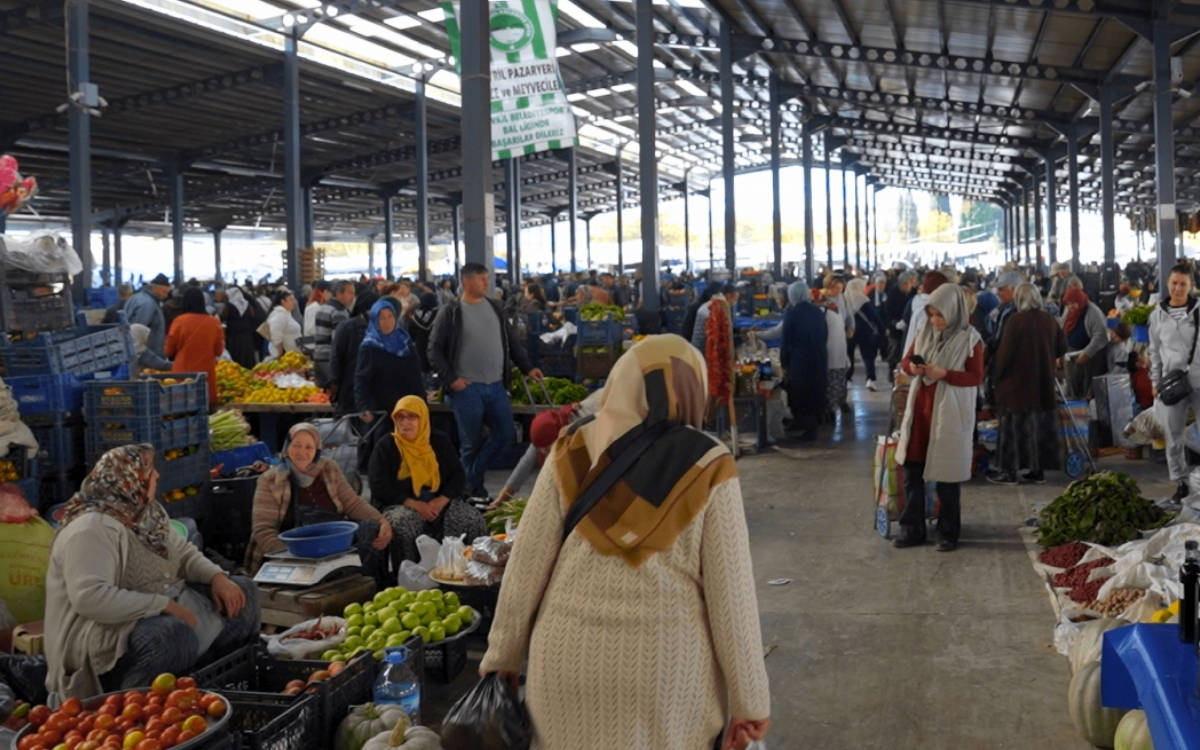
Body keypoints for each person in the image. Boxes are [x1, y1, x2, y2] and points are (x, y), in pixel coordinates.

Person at [479, 335, 771, 750]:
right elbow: (732, 596)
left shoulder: (571, 447)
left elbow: (527, 564)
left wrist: (501, 655)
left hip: (563, 663)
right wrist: (750, 700)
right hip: (664, 675)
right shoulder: (709, 463)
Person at [44, 445, 260, 699]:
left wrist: (217, 577)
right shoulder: (91, 528)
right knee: (170, 635)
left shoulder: (147, 512)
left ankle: (219, 689)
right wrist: (162, 605)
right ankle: (135, 707)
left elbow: (183, 554)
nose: (157, 475)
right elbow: (90, 597)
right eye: (149, 470)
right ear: (128, 480)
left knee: (244, 592)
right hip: (101, 632)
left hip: (161, 606)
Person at [428, 263, 543, 498]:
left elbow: (512, 342)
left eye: (486, 279)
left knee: (505, 434)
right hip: (467, 389)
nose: (486, 283)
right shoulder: (451, 312)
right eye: (481, 279)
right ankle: (474, 491)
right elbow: (434, 349)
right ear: (466, 282)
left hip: (496, 386)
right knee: (470, 444)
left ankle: (467, 482)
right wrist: (452, 380)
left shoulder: (495, 307)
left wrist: (528, 367)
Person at [895, 283, 984, 552]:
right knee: (912, 470)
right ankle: (912, 528)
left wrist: (944, 374)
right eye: (932, 314)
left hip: (948, 410)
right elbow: (906, 361)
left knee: (947, 477)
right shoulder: (924, 331)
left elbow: (976, 377)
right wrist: (913, 367)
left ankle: (947, 532)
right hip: (921, 409)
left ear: (954, 311)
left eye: (940, 315)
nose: (935, 320)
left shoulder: (970, 339)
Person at [246, 422, 392, 571]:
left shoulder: (328, 468)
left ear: (317, 450)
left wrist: (381, 520)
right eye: (296, 445)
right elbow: (263, 530)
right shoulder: (270, 480)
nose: (302, 452)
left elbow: (353, 503)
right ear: (287, 446)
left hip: (331, 545)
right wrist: (293, 556)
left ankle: (370, 581)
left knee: (371, 529)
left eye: (309, 447)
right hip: (290, 552)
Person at [368, 396, 485, 567]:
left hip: (439, 501)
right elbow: (379, 486)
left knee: (470, 518)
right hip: (400, 504)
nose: (405, 423)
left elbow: (457, 476)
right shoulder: (386, 445)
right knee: (406, 523)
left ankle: (466, 571)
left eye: (412, 417)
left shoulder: (439, 441)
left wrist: (441, 500)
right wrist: (415, 505)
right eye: (400, 417)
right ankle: (411, 576)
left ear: (422, 418)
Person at [988, 283, 1066, 485]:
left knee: (1014, 430)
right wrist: (1046, 356)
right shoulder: (1049, 320)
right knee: (1039, 427)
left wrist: (997, 377)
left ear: (1019, 299)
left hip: (1017, 386)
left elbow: (1005, 354)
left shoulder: (1016, 321)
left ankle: (1009, 473)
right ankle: (1037, 471)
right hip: (1043, 384)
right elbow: (1062, 347)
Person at [1149, 263, 1200, 501]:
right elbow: (1154, 351)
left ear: (1191, 286)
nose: (1177, 288)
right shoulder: (1157, 315)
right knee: (1173, 436)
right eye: (1174, 283)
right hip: (1172, 385)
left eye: (1183, 284)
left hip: (1199, 381)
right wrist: (1155, 381)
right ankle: (1181, 483)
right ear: (1168, 283)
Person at [354, 297, 425, 415]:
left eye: (390, 316)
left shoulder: (405, 341)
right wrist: (363, 408)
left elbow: (416, 374)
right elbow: (361, 379)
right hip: (381, 410)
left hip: (408, 408)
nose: (387, 322)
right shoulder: (369, 346)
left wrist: (422, 402)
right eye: (381, 318)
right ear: (375, 320)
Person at [780, 281, 828, 440]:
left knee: (801, 392)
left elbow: (786, 340)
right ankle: (811, 425)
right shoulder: (817, 312)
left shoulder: (792, 313)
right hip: (819, 357)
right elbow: (825, 334)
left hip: (800, 360)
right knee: (815, 390)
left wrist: (784, 362)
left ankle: (807, 427)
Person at [164, 288, 225, 407]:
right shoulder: (214, 322)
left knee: (181, 406)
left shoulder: (179, 321)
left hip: (182, 373)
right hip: (205, 373)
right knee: (204, 406)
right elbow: (218, 351)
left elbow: (169, 350)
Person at [330, 291, 378, 414]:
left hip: (350, 389)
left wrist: (335, 384)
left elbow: (336, 358)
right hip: (372, 392)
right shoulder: (383, 328)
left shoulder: (346, 327)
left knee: (350, 422)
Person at [1061, 287, 1109, 399]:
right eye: (1068, 304)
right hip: (1072, 351)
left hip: (1091, 352)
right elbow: (1063, 327)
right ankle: (1074, 399)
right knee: (1072, 379)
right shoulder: (1069, 311)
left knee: (1087, 382)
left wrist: (1087, 353)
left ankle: (1086, 403)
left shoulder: (1093, 312)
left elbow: (1100, 336)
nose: (1070, 306)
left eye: (1073, 303)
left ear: (1080, 300)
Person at [313, 280, 354, 388]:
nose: (353, 297)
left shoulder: (323, 308)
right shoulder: (339, 312)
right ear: (339, 293)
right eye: (350, 293)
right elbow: (339, 342)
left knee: (322, 393)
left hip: (319, 358)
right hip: (331, 362)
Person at [845, 277, 883, 391]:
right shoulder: (863, 300)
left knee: (849, 355)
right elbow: (875, 317)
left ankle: (847, 379)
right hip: (865, 332)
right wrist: (882, 329)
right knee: (868, 356)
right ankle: (870, 379)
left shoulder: (845, 299)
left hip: (849, 331)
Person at [123, 273, 171, 363]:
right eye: (164, 292)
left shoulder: (135, 298)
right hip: (146, 357)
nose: (166, 296)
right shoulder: (148, 304)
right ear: (154, 288)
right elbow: (138, 333)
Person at [221, 285, 264, 369]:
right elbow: (252, 315)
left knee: (236, 357)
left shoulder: (229, 306)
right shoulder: (247, 304)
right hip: (247, 336)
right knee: (247, 357)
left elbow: (223, 317)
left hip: (234, 337)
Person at [266, 289, 302, 360]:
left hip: (292, 356)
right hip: (285, 357)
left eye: (294, 300)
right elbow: (275, 335)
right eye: (291, 300)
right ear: (283, 302)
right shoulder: (279, 315)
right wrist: (280, 353)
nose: (294, 302)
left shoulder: (286, 314)